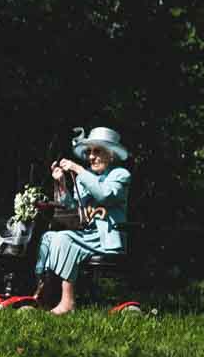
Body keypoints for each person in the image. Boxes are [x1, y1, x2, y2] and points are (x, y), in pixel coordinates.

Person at [34, 126, 131, 314]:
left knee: (64, 239)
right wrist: (61, 183)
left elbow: (104, 196)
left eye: (97, 151)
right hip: (86, 235)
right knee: (49, 237)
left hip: (106, 238)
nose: (91, 157)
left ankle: (68, 301)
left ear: (111, 155)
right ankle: (43, 290)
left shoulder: (120, 175)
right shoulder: (85, 178)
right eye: (89, 152)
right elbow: (72, 210)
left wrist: (78, 169)